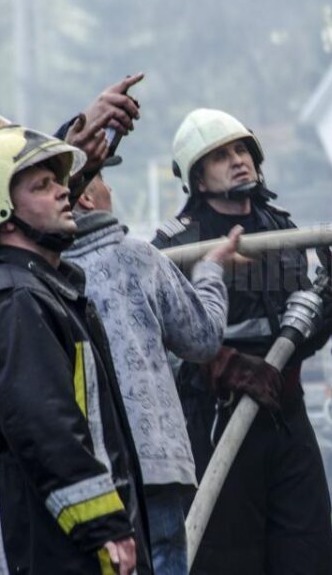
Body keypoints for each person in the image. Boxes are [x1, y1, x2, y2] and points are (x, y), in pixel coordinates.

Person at [0, 126, 152, 575]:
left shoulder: (42, 292)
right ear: (3, 215)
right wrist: (104, 526)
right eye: (42, 186)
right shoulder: (17, 302)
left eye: (58, 181)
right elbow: (44, 427)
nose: (64, 192)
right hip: (55, 551)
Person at [152, 108, 332, 575]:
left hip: (286, 417)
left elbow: (305, 330)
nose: (238, 161)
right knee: (227, 558)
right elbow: (156, 344)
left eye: (241, 150)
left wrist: (323, 309)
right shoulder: (174, 247)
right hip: (216, 426)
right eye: (220, 155)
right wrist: (222, 364)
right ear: (197, 177)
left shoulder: (281, 229)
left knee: (308, 552)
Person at [63, 169, 237, 575]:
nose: (111, 187)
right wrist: (211, 273)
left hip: (86, 475)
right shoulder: (137, 257)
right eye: (104, 179)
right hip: (154, 463)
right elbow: (203, 339)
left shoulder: (46, 274)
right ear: (87, 198)